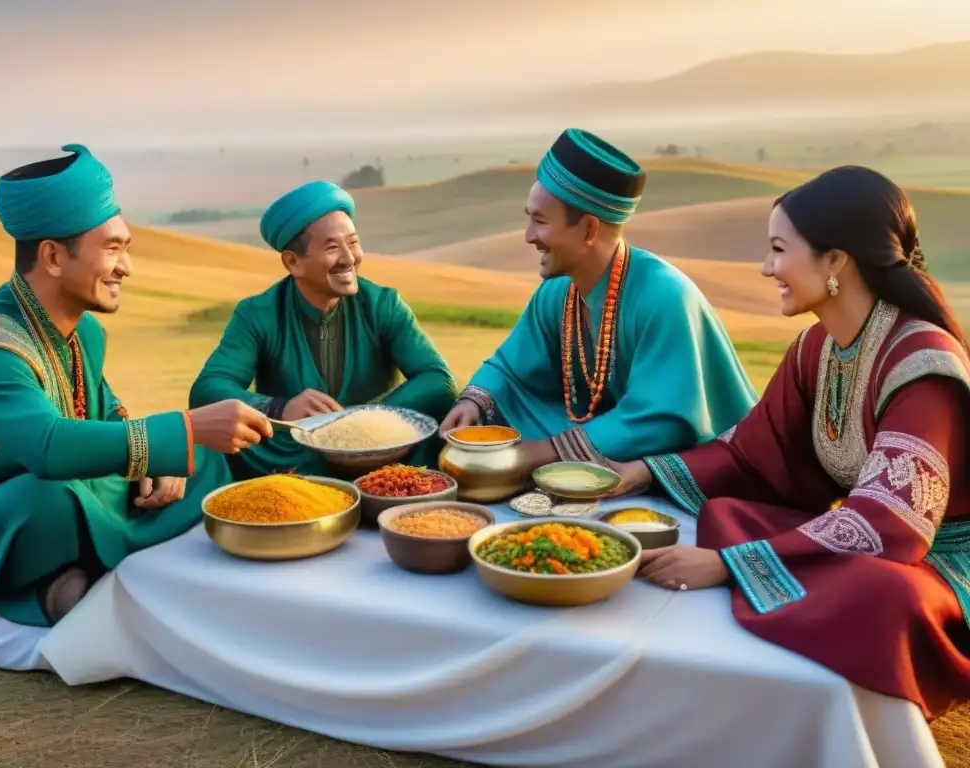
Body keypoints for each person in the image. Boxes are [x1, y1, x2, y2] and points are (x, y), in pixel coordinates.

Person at [612, 165, 970, 719]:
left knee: (883, 600)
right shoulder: (817, 350)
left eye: (779, 250)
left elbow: (891, 526)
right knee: (733, 514)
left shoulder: (921, 364)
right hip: (871, 542)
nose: (766, 268)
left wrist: (728, 565)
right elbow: (751, 457)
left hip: (939, 562)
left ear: (835, 261)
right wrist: (642, 471)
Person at [0, 144, 274, 628]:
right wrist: (182, 430)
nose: (127, 268)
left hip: (74, 486)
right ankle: (64, 584)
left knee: (199, 460)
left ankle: (74, 576)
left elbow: (105, 413)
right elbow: (50, 447)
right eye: (113, 249)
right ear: (54, 257)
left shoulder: (84, 332)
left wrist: (160, 459)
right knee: (51, 499)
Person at [439, 128, 758, 469]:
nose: (529, 236)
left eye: (540, 221)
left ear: (589, 230)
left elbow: (664, 422)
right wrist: (473, 401)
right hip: (604, 434)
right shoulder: (557, 292)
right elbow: (511, 369)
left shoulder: (664, 297)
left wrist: (543, 452)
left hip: (694, 458)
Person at [189, 180, 457, 479]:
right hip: (292, 450)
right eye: (332, 247)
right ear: (294, 262)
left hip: (378, 448)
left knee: (439, 423)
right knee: (209, 441)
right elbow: (207, 390)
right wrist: (280, 408)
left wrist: (364, 419)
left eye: (353, 242)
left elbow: (438, 380)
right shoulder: (257, 314)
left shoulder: (383, 304)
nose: (349, 258)